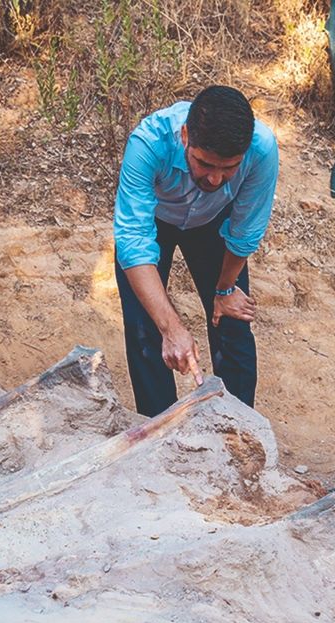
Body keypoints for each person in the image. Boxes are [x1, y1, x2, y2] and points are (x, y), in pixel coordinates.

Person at [113, 85, 279, 416]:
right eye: (205, 164)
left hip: (214, 222)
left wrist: (225, 289)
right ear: (186, 135)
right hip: (156, 220)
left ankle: (240, 427)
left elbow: (244, 230)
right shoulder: (148, 143)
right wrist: (171, 328)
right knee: (147, 328)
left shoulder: (261, 150)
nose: (215, 179)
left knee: (232, 322)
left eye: (229, 168)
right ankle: (158, 428)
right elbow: (133, 240)